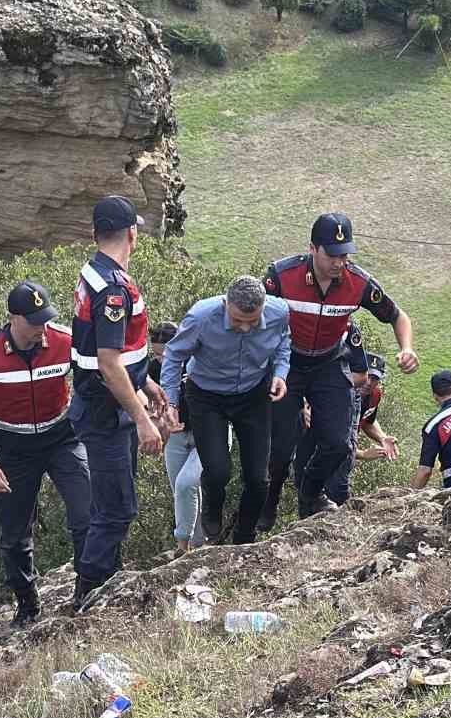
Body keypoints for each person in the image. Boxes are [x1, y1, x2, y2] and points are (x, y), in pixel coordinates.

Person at [260, 213, 418, 530]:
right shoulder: (280, 276)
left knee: (338, 444)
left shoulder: (358, 283)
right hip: (287, 362)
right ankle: (268, 505)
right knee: (280, 447)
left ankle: (311, 493)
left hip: (329, 363)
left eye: (344, 254)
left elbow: (398, 316)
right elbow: (250, 314)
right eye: (332, 254)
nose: (338, 262)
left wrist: (407, 348)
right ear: (312, 249)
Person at [0, 280, 88, 628]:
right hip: (12, 450)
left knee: (87, 512)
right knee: (14, 536)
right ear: (13, 318)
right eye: (33, 321)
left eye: (45, 318)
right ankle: (27, 606)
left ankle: (87, 593)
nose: (41, 327)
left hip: (62, 440)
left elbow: (101, 374)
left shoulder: (65, 340)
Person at [69, 195, 169, 611]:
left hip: (107, 404)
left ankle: (105, 577)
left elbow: (114, 354)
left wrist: (146, 383)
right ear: (132, 235)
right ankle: (89, 593)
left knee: (112, 503)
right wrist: (142, 419)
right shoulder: (112, 288)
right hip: (106, 412)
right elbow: (108, 364)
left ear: (95, 234)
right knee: (118, 508)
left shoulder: (94, 271)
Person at [160, 276, 291, 544]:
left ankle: (245, 535)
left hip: (253, 394)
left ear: (264, 309)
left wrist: (281, 373)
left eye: (253, 322)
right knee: (217, 470)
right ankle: (212, 507)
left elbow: (283, 345)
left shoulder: (280, 313)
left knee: (258, 478)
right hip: (207, 397)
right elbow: (174, 355)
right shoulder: (201, 316)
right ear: (225, 304)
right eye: (237, 320)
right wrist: (171, 403)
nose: (244, 328)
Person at [291, 326, 397, 507]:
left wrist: (382, 438)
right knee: (312, 496)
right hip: (316, 456)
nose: (368, 382)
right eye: (367, 376)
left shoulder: (373, 396)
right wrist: (362, 454)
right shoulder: (332, 393)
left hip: (341, 463)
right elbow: (334, 440)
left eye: (375, 379)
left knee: (338, 494)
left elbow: (368, 421)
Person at [150, 321, 204, 554]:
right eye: (157, 355)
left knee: (187, 483)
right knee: (182, 491)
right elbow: (147, 405)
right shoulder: (151, 369)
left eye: (166, 354)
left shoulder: (200, 362)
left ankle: (182, 546)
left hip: (206, 434)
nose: (162, 360)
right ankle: (200, 544)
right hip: (175, 438)